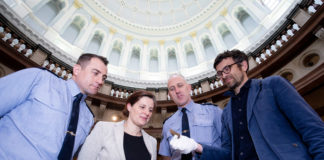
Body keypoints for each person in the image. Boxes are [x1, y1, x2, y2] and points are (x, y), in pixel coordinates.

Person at [170, 49, 324, 160]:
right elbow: (227, 153)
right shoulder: (227, 112)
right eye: (219, 73)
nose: (223, 75)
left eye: (227, 69)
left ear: (243, 65)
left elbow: (312, 129)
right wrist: (196, 146)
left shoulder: (272, 86)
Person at [0, 53, 108, 159]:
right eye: (95, 73)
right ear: (77, 70)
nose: (100, 81)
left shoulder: (88, 118)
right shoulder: (40, 78)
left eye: (103, 78)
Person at [78, 90, 157, 160]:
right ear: (129, 107)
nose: (147, 113)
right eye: (142, 107)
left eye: (150, 110)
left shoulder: (152, 142)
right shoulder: (103, 129)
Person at [159, 74, 223, 160]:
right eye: (172, 89)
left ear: (189, 88)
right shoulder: (167, 124)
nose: (177, 91)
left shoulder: (213, 111)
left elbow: (230, 146)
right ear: (169, 95)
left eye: (180, 85)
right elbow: (166, 156)